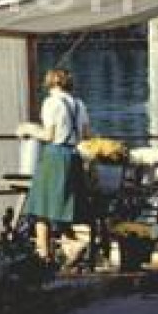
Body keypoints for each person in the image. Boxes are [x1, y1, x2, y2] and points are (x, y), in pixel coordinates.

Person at [17, 68, 92, 262]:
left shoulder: (51, 103)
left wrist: (29, 129)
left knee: (41, 209)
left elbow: (48, 135)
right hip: (74, 157)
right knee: (63, 208)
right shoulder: (79, 104)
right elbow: (86, 137)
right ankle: (72, 245)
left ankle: (43, 256)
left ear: (51, 83)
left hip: (54, 156)